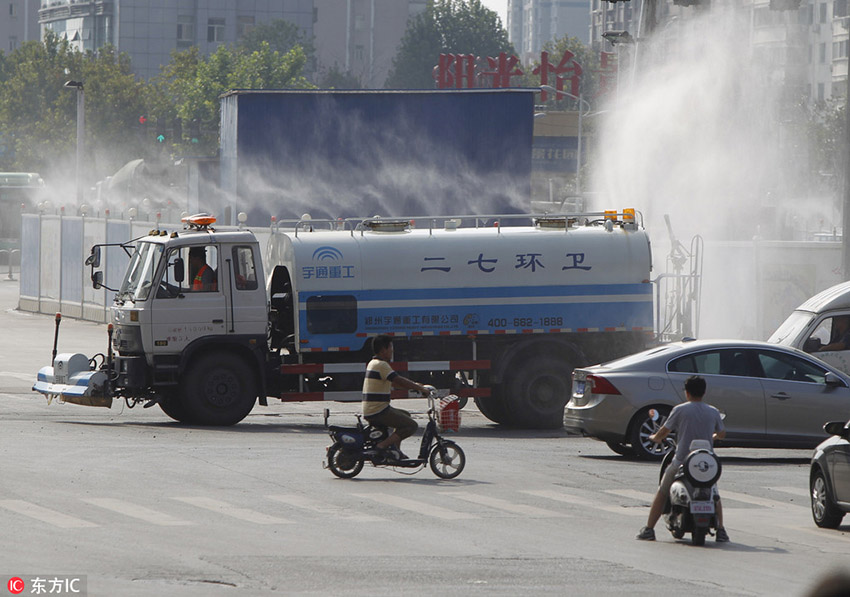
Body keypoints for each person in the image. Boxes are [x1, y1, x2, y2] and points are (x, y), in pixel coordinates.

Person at [636, 375, 729, 543]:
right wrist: (712, 437)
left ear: (687, 393)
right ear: (704, 392)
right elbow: (722, 433)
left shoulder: (680, 410)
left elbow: (664, 431)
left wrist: (655, 437)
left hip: (682, 462)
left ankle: (649, 529)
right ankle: (721, 531)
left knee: (662, 491)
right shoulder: (713, 411)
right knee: (714, 493)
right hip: (706, 464)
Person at [362, 334, 431, 461]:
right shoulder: (382, 365)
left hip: (374, 409)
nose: (392, 351)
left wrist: (416, 386)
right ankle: (382, 446)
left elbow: (395, 383)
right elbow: (398, 379)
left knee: (405, 415)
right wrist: (420, 388)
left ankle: (395, 450)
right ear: (383, 349)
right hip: (379, 410)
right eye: (390, 348)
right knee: (411, 426)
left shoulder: (373, 363)